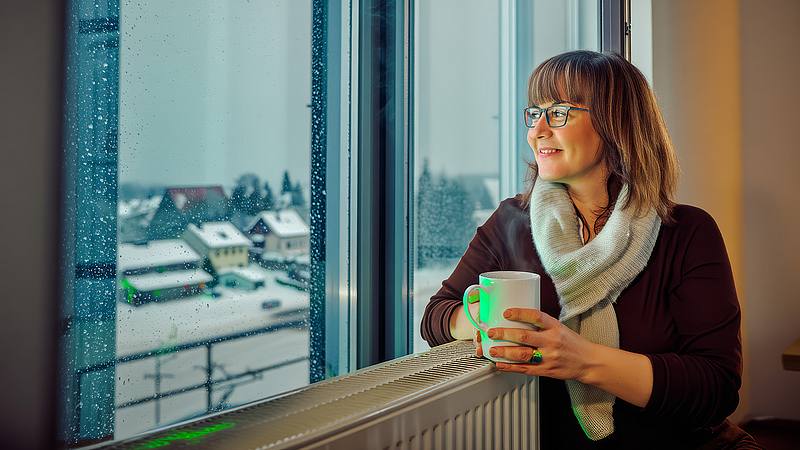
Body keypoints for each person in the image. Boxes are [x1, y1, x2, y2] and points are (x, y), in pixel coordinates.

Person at [420, 50, 759, 449]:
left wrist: (582, 360)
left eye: (559, 113)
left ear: (616, 123)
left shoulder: (686, 232)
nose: (537, 130)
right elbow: (436, 316)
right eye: (535, 112)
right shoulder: (512, 220)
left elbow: (716, 387)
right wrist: (483, 320)